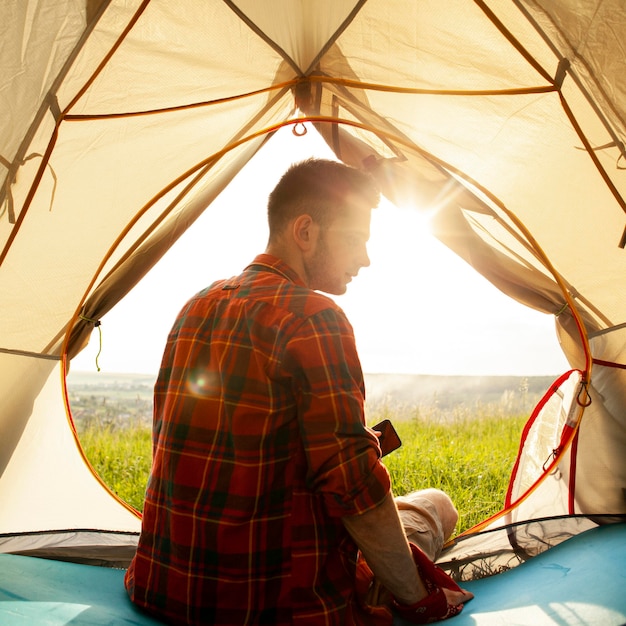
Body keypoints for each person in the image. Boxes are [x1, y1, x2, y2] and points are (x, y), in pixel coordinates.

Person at [124, 158, 473, 625]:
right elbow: (354, 488)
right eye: (355, 239)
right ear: (305, 231)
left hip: (161, 586)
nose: (365, 258)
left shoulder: (196, 305)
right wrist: (417, 599)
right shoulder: (314, 317)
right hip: (271, 606)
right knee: (436, 505)